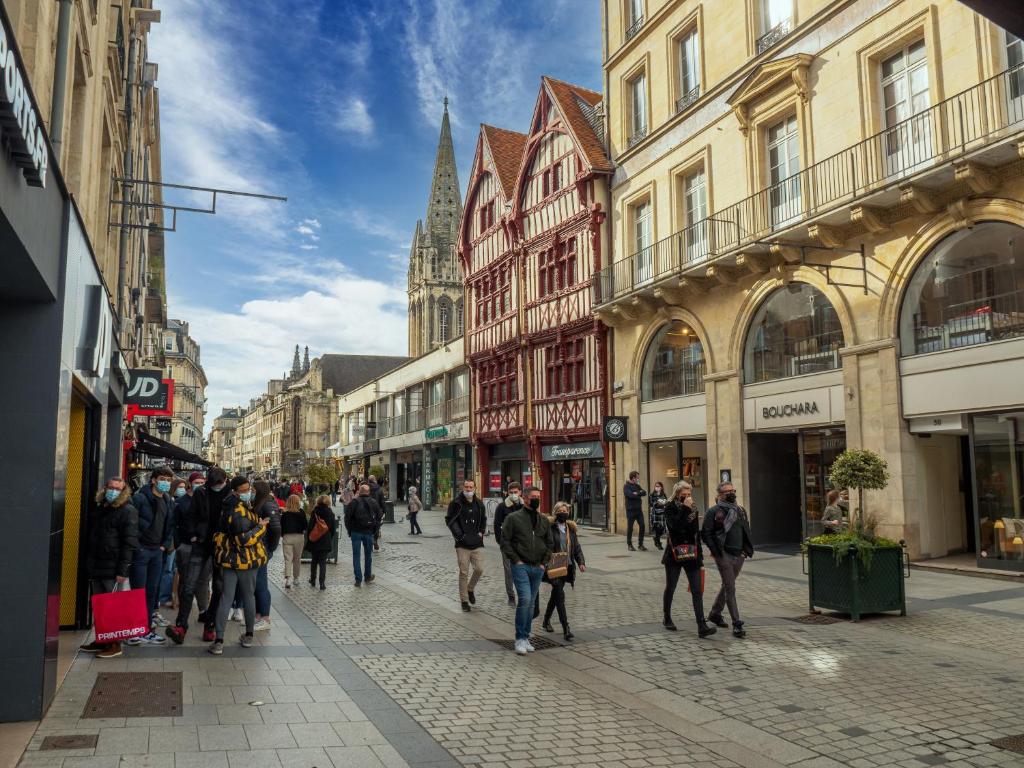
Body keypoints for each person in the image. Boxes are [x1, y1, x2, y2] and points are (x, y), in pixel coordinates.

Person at [80, 477, 139, 659]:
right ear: (105, 488)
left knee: (114, 606)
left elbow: (129, 542)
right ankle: (102, 639)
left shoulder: (127, 511)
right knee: (100, 605)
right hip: (98, 564)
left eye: (117, 489)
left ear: (124, 492)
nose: (113, 491)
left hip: (113, 567)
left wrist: (123, 571)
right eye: (110, 487)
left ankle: (115, 644)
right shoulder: (101, 508)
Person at [210, 476, 269, 654]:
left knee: (226, 598)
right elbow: (244, 539)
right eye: (244, 490)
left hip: (229, 560)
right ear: (235, 491)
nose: (248, 493)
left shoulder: (229, 506)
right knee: (248, 597)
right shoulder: (238, 510)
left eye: (248, 489)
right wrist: (261, 526)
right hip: (246, 559)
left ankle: (219, 640)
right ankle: (248, 636)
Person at [499, 485, 553, 656]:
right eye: (534, 496)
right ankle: (520, 638)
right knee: (525, 599)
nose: (537, 499)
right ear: (526, 498)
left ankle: (526, 636)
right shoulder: (514, 518)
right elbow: (505, 540)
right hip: (520, 566)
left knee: (531, 603)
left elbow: (549, 543)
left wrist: (544, 563)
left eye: (539, 496)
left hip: (537, 567)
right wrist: (516, 560)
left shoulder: (543, 520)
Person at [701, 481, 754, 639]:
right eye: (727, 492)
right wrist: (716, 551)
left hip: (739, 554)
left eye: (733, 490)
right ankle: (736, 623)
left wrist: (746, 550)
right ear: (719, 495)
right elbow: (706, 533)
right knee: (730, 587)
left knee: (727, 585)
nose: (731, 493)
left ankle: (715, 614)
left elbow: (745, 529)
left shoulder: (740, 510)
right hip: (723, 554)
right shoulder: (714, 511)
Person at [663, 480, 715, 638]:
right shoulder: (670, 507)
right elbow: (675, 527)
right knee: (671, 586)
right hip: (674, 554)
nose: (687, 497)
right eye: (683, 495)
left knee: (697, 590)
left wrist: (700, 557)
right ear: (677, 494)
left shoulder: (693, 507)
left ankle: (702, 625)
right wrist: (685, 508)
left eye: (689, 494)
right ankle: (667, 617)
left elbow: (695, 533)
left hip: (692, 554)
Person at [128, 467, 174, 645]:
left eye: (169, 480)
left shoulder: (168, 500)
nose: (166, 483)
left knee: (151, 592)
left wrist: (164, 545)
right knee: (138, 592)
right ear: (153, 480)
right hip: (141, 551)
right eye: (162, 479)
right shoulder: (140, 497)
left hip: (157, 552)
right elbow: (130, 522)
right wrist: (136, 545)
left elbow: (170, 525)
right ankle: (134, 630)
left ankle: (145, 629)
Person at [541, 501, 585, 641]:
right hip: (554, 564)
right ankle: (566, 628)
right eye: (560, 510)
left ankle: (546, 620)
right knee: (560, 596)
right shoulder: (549, 528)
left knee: (556, 594)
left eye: (565, 510)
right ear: (555, 512)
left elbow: (576, 548)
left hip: (568, 565)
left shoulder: (570, 529)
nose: (563, 512)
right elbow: (544, 546)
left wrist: (581, 563)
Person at [445, 479, 487, 612]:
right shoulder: (456, 503)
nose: (469, 489)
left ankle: (470, 589)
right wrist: (460, 536)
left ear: (475, 488)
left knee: (479, 569)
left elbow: (483, 519)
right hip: (462, 544)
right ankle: (464, 600)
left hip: (476, 542)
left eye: (471, 487)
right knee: (464, 572)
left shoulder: (479, 504)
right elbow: (450, 520)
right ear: (463, 487)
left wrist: (481, 532)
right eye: (466, 487)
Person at [252, 480, 281, 629]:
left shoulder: (268, 504)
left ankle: (265, 617)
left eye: (252, 490)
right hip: (258, 548)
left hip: (263, 549)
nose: (250, 492)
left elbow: (276, 529)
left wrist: (270, 549)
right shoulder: (260, 503)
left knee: (261, 584)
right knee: (257, 583)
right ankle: (258, 614)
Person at [158, 478, 188, 610]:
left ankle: (170, 597)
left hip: (177, 542)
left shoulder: (177, 502)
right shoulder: (169, 501)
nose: (182, 489)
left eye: (184, 487)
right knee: (168, 570)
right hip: (170, 543)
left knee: (173, 570)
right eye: (179, 487)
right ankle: (165, 598)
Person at [344, 483, 380, 586]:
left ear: (359, 491)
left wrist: (349, 530)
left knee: (356, 555)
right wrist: (375, 530)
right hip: (368, 532)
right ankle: (367, 576)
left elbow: (347, 517)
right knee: (368, 555)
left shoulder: (354, 502)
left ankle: (358, 579)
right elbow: (379, 517)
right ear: (368, 492)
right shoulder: (373, 502)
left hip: (356, 532)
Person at [493, 482, 522, 606]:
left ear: (520, 492)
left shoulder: (524, 505)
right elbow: (496, 525)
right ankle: (511, 596)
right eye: (511, 492)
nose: (513, 495)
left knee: (521, 569)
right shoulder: (502, 507)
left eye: (516, 492)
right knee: (509, 570)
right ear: (507, 493)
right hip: (507, 544)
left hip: (521, 544)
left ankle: (522, 593)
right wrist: (501, 541)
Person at [305, 495, 336, 590]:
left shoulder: (315, 512)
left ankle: (313, 579)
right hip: (325, 539)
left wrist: (311, 536)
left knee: (314, 561)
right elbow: (333, 529)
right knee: (323, 562)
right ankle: (322, 583)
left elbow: (310, 527)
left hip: (315, 539)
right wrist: (328, 537)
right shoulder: (330, 513)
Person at [280, 494, 306, 588]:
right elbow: (305, 525)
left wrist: (283, 535)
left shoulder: (285, 514)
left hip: (287, 537)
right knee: (297, 559)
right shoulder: (301, 512)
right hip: (299, 537)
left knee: (288, 559)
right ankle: (296, 578)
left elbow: (281, 526)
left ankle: (287, 580)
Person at [623, 471, 647, 552]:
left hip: (638, 510)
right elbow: (630, 495)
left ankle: (640, 544)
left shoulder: (637, 486)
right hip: (630, 510)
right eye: (637, 477)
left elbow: (644, 492)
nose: (638, 479)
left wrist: (637, 493)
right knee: (630, 528)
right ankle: (629, 544)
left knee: (642, 526)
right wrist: (637, 493)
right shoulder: (626, 486)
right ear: (633, 478)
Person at [368, 476, 386, 551]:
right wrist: (384, 510)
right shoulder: (379, 489)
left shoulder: (366, 488)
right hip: (377, 510)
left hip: (368, 510)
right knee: (377, 525)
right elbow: (382, 501)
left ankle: (369, 540)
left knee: (368, 525)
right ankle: (375, 539)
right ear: (375, 480)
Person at [649, 481, 668, 550]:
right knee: (657, 528)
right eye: (656, 486)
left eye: (659, 486)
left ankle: (656, 539)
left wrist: (664, 503)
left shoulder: (663, 494)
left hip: (662, 513)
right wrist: (657, 503)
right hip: (655, 513)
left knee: (662, 528)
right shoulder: (652, 495)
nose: (657, 487)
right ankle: (658, 543)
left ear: (661, 487)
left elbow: (666, 502)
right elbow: (651, 503)